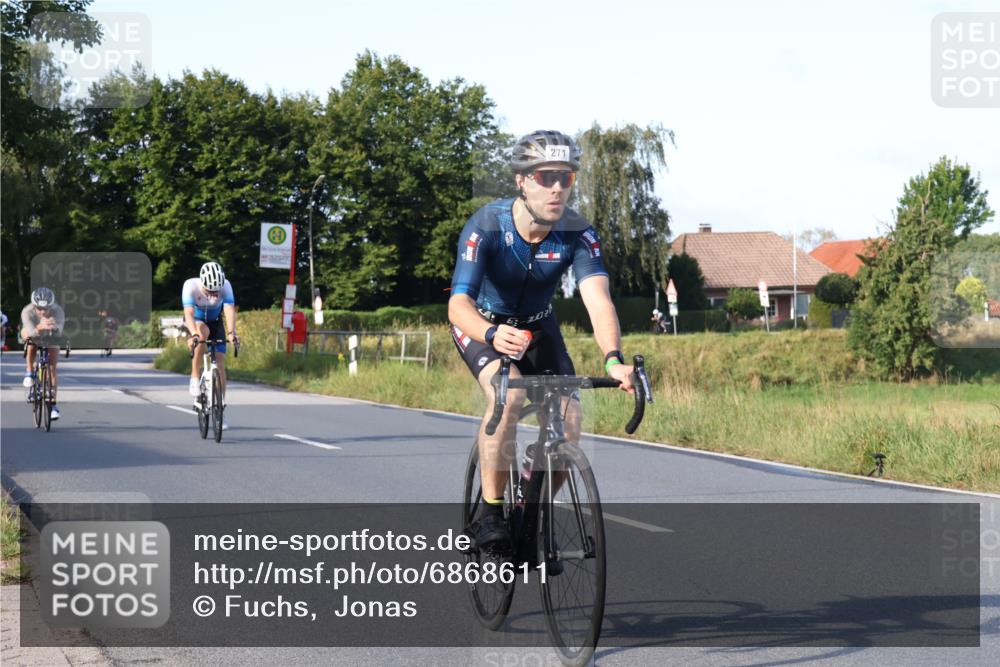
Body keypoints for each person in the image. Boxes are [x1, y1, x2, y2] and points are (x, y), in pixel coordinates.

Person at [448, 130, 636, 554]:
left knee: (569, 426)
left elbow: (597, 299)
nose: (556, 188)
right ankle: (491, 515)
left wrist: (613, 360)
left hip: (537, 326)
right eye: (544, 176)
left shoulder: (577, 232)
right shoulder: (486, 225)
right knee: (507, 399)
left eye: (565, 178)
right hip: (483, 325)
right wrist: (492, 333)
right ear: (521, 181)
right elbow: (458, 305)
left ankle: (531, 510)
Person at [182, 262, 238, 429]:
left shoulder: (226, 285)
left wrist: (231, 333)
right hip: (197, 321)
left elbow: (229, 309)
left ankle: (220, 409)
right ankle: (194, 375)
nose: (213, 295)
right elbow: (189, 313)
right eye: (209, 291)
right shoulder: (190, 286)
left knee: (220, 364)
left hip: (215, 321)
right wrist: (193, 334)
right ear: (202, 284)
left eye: (216, 292)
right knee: (201, 334)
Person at [20, 288, 66, 420]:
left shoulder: (58, 311)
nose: (42, 311)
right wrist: (39, 327)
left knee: (51, 368)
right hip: (32, 330)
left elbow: (59, 333)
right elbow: (30, 332)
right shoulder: (27, 311)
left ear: (51, 306)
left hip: (51, 336)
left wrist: (55, 327)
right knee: (30, 340)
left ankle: (53, 406)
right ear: (34, 306)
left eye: (46, 309)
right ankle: (29, 371)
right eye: (39, 308)